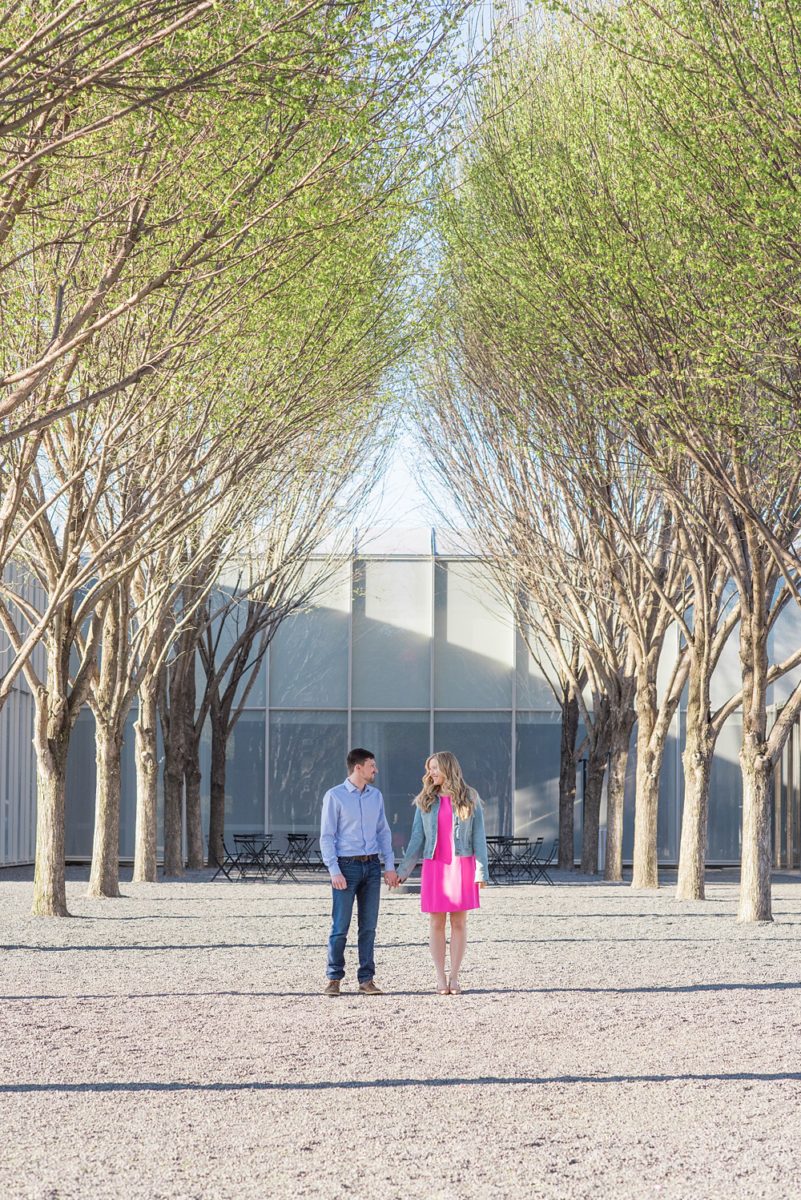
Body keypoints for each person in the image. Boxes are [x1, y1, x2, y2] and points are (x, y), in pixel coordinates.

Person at [396, 751, 489, 995]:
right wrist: (403, 871)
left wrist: (481, 872)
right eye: (429, 769)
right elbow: (417, 838)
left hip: (462, 865)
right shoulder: (425, 800)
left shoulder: (470, 797)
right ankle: (440, 977)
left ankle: (455, 977)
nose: (431, 773)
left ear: (448, 768)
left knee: (459, 922)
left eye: (435, 767)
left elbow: (479, 837)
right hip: (435, 866)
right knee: (436, 922)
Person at [319, 748, 399, 996]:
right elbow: (327, 837)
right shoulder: (335, 796)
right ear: (358, 768)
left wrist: (389, 866)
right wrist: (334, 870)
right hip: (346, 867)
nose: (375, 770)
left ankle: (366, 980)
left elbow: (383, 833)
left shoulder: (376, 796)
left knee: (368, 927)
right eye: (371, 765)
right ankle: (334, 979)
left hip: (372, 867)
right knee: (340, 926)